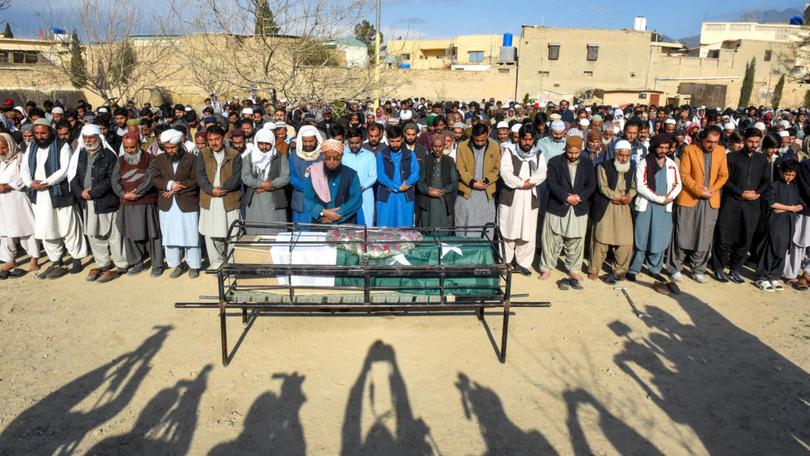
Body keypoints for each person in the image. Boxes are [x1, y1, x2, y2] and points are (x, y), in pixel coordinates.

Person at [20, 118, 87, 279]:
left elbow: (65, 169)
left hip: (59, 192)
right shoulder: (32, 147)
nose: (40, 136)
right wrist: (30, 183)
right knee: (46, 228)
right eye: (37, 133)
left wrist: (46, 182)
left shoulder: (62, 146)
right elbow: (24, 168)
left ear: (50, 131)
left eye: (43, 133)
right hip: (40, 195)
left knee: (69, 227)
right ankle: (57, 261)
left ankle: (76, 258)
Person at [667, 125, 729, 284]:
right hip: (690, 197)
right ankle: (675, 267)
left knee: (705, 235)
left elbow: (723, 175)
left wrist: (711, 190)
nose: (712, 145)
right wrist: (698, 190)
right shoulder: (690, 150)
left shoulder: (721, 151)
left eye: (715, 142)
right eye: (709, 141)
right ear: (702, 138)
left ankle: (698, 269)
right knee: (682, 233)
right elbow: (684, 174)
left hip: (710, 199)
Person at [68, 124, 128, 283]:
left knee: (113, 234)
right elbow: (73, 176)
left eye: (91, 138)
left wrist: (93, 193)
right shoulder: (80, 154)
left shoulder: (109, 155)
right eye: (85, 138)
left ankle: (121, 265)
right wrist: (80, 192)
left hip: (105, 201)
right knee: (94, 234)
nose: (88, 141)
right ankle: (102, 264)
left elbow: (111, 179)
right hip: (87, 202)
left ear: (98, 138)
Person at [711, 128, 769, 283]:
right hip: (732, 203)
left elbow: (766, 180)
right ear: (744, 140)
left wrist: (757, 192)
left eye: (757, 142)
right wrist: (740, 193)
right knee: (724, 237)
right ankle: (718, 268)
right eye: (751, 141)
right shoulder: (731, 157)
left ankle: (735, 269)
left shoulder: (762, 159)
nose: (754, 145)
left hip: (752, 205)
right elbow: (725, 180)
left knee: (745, 239)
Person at [539, 136, 596, 289]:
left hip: (578, 206)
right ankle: (546, 267)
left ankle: (574, 269)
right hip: (558, 205)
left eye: (576, 153)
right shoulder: (554, 162)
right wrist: (565, 197)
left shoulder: (587, 163)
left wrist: (580, 197)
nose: (573, 156)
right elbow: (551, 182)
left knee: (576, 240)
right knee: (551, 239)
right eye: (570, 153)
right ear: (566, 149)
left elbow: (591, 185)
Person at [628, 134, 683, 290]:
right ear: (654, 147)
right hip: (647, 205)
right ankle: (634, 269)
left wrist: (669, 198)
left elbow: (678, 185)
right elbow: (641, 186)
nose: (663, 150)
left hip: (664, 207)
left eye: (666, 148)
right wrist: (659, 199)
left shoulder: (672, 164)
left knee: (659, 238)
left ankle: (654, 269)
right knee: (641, 237)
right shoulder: (644, 163)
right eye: (660, 147)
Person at [111, 133, 164, 277]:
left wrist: (137, 192)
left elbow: (149, 179)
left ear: (139, 145)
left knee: (152, 234)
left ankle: (157, 264)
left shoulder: (150, 159)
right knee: (130, 233)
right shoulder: (120, 160)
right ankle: (137, 263)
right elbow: (114, 181)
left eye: (132, 147)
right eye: (126, 147)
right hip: (127, 203)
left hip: (145, 202)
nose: (129, 150)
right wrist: (123, 194)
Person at [498, 125, 547, 275]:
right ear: (519, 138)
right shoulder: (510, 151)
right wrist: (520, 184)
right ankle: (505, 262)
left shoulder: (538, 154)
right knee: (507, 229)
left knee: (527, 231)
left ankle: (523, 263)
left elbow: (542, 173)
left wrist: (530, 182)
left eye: (530, 139)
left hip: (529, 197)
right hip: (511, 196)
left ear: (533, 139)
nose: (527, 142)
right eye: (524, 139)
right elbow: (505, 172)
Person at [152, 129, 201, 279]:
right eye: (167, 148)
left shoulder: (192, 158)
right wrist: (169, 185)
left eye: (173, 147)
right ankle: (177, 265)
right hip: (167, 204)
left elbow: (196, 179)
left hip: (186, 201)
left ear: (179, 145)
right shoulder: (159, 159)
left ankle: (193, 265)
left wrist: (176, 187)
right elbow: (155, 178)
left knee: (191, 235)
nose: (170, 151)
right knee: (170, 237)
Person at [588, 140, 636, 284]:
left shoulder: (632, 168)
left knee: (626, 242)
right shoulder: (603, 166)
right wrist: (617, 197)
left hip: (624, 207)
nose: (624, 158)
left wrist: (629, 197)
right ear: (615, 154)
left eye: (627, 156)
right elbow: (603, 187)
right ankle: (594, 269)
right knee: (600, 239)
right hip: (607, 206)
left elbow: (634, 186)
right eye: (621, 155)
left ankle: (620, 271)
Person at [197, 125, 242, 270]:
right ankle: (216, 263)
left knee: (232, 233)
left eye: (217, 139)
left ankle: (231, 264)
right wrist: (211, 190)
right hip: (209, 199)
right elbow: (200, 176)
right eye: (210, 140)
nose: (213, 142)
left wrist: (222, 189)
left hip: (228, 199)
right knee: (211, 233)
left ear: (224, 138)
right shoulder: (203, 154)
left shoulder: (234, 155)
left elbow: (236, 177)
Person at [754, 159, 803, 291]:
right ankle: (761, 277)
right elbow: (770, 203)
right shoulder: (774, 185)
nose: (790, 177)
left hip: (789, 222)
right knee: (770, 248)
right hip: (775, 222)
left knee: (783, 249)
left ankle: (774, 276)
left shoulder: (794, 186)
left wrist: (787, 209)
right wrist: (790, 208)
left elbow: (799, 205)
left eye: (793, 175)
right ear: (781, 172)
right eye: (787, 174)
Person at [0, 132, 39, 278]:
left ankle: (34, 258)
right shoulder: (1, 160)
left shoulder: (21, 158)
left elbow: (24, 178)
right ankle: (10, 260)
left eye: (4, 148)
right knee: (4, 232)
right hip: (2, 202)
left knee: (26, 229)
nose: (2, 151)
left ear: (10, 145)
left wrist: (8, 186)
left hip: (18, 199)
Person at [455, 123, 500, 237]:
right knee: (465, 227)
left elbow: (497, 169)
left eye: (483, 140)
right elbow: (460, 169)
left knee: (485, 229)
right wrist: (472, 182)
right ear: (472, 136)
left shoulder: (495, 146)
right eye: (477, 140)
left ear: (487, 135)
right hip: (467, 193)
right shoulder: (462, 146)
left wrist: (486, 181)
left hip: (486, 194)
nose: (480, 143)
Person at [241, 127, 289, 235]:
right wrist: (262, 184)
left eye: (267, 144)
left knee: (274, 231)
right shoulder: (249, 158)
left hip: (274, 199)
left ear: (272, 143)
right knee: (255, 230)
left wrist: (270, 185)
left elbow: (285, 177)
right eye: (261, 143)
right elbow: (246, 177)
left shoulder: (280, 157)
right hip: (254, 200)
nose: (264, 147)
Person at [304, 139, 363, 224]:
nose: (331, 161)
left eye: (335, 158)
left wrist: (339, 213)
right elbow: (308, 198)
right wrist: (323, 212)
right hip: (321, 223)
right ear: (323, 156)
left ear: (341, 156)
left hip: (345, 224)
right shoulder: (314, 173)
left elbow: (357, 199)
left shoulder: (351, 174)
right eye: (328, 158)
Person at [375, 125, 419, 227]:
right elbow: (381, 176)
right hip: (387, 196)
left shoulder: (410, 154)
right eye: (392, 141)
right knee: (385, 225)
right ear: (387, 140)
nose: (395, 144)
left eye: (398, 141)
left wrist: (406, 184)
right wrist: (398, 187)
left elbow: (416, 174)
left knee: (404, 226)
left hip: (405, 196)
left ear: (402, 139)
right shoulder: (381, 155)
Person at [416, 132, 458, 228]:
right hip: (428, 200)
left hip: (444, 199)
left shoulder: (450, 161)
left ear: (444, 146)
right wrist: (428, 190)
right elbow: (420, 182)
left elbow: (455, 182)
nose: (437, 149)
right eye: (435, 146)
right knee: (428, 225)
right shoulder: (425, 160)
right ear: (431, 146)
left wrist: (443, 191)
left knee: (444, 227)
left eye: (440, 146)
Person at [341, 127, 377, 225]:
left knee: (367, 220)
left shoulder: (369, 156)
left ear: (362, 141)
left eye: (357, 143)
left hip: (365, 192)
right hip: (347, 193)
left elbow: (373, 176)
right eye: (351, 143)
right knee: (347, 221)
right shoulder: (342, 155)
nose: (354, 145)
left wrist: (363, 186)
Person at [784, 158, 810, 290]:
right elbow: (806, 189)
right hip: (805, 211)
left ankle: (807, 275)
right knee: (798, 243)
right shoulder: (806, 165)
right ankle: (791, 275)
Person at [289, 125, 323, 223]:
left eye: (311, 141)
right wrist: (309, 187)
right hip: (300, 200)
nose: (308, 144)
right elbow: (291, 178)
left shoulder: (323, 155)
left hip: (319, 200)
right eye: (305, 141)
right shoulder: (294, 155)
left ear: (316, 140)